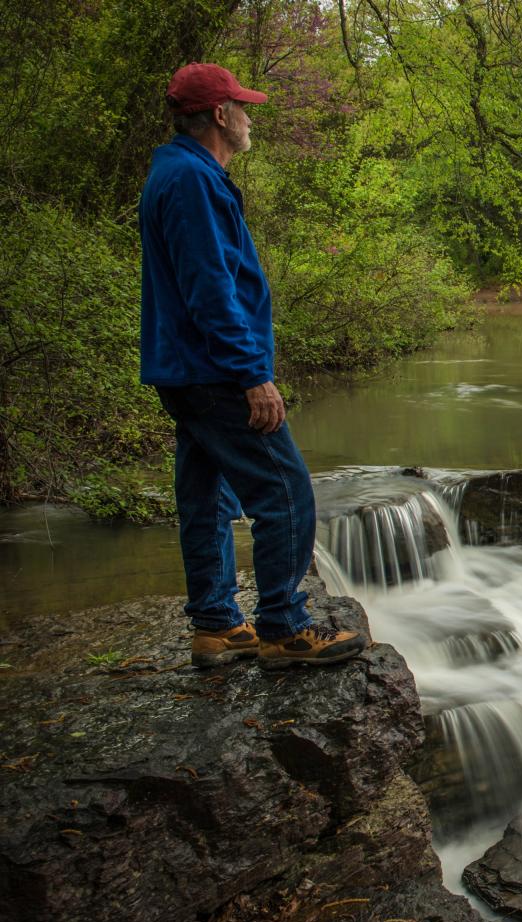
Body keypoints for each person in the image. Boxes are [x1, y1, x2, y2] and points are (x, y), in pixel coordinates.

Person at [140, 63, 363, 670]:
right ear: (219, 115)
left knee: (207, 496)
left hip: (185, 368)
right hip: (213, 370)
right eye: (242, 107)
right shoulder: (191, 180)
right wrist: (252, 374)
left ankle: (216, 625)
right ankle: (284, 629)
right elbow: (209, 288)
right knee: (284, 491)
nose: (248, 118)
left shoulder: (179, 172)